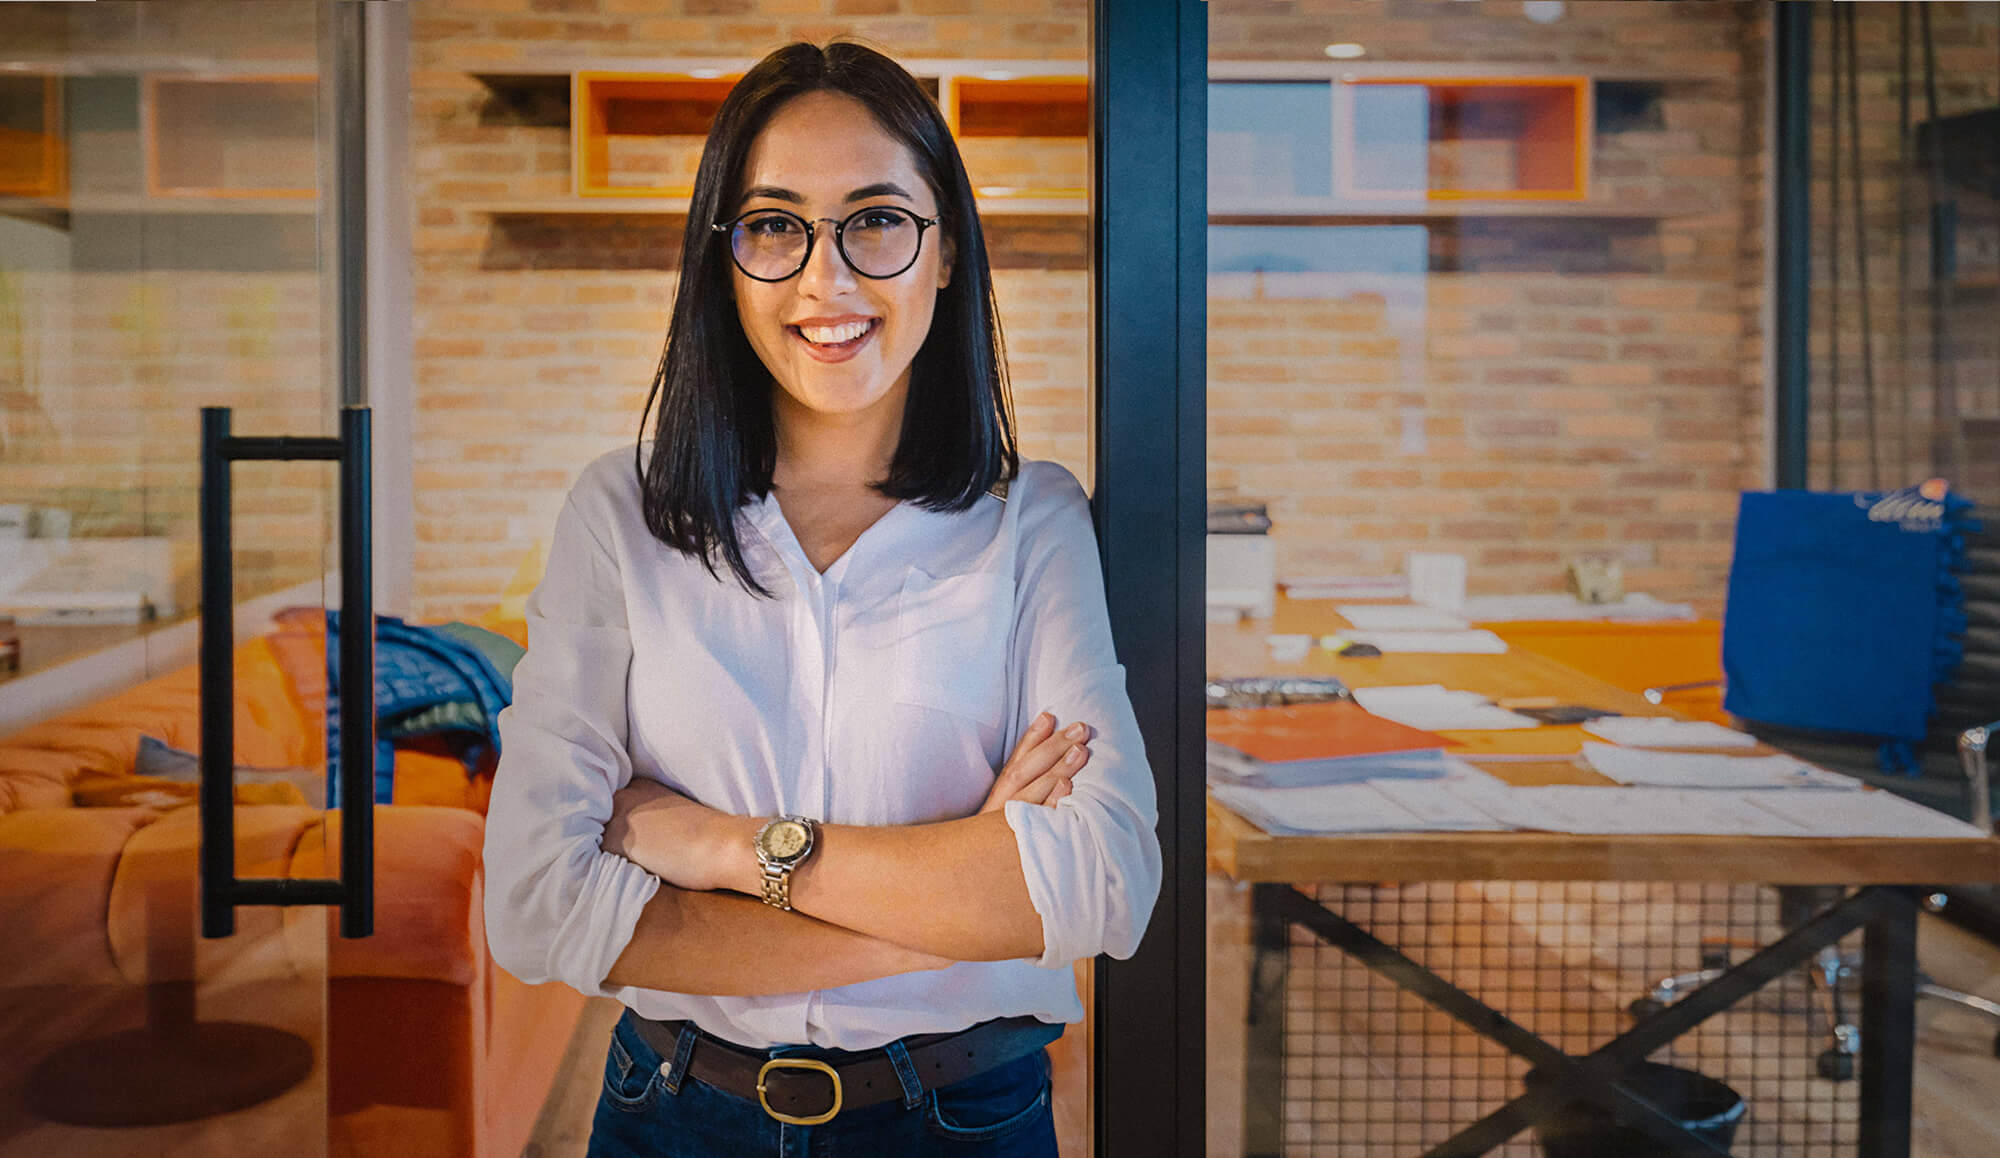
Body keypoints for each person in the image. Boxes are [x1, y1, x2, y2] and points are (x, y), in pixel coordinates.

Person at [481, 40, 1162, 1158]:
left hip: (962, 1122)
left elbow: (1104, 882)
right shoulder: (620, 513)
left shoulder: (1029, 519)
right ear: (725, 258)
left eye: (877, 219)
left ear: (944, 253)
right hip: (670, 1117)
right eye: (773, 224)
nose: (824, 279)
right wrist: (967, 894)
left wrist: (714, 846)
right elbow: (538, 908)